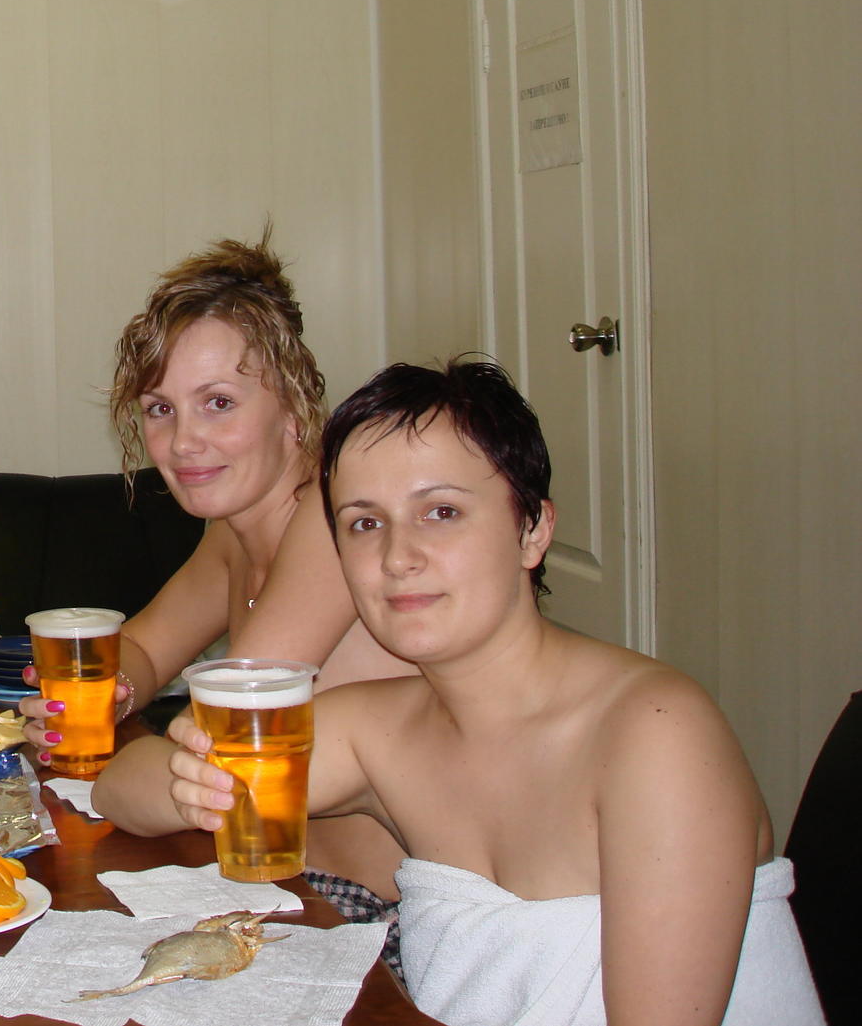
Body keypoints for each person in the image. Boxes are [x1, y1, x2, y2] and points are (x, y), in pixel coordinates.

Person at [151, 359, 822, 1025]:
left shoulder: (657, 734)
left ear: (534, 530)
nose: (398, 556)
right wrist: (190, 777)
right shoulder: (383, 725)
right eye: (365, 523)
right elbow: (129, 791)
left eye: (441, 512)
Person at [55, 236, 412, 903]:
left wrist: (128, 765)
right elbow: (142, 649)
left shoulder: (336, 518)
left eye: (218, 402)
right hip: (282, 888)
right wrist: (103, 695)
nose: (183, 441)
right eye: (161, 409)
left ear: (294, 409)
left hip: (377, 918)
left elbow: (215, 754)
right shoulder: (231, 530)